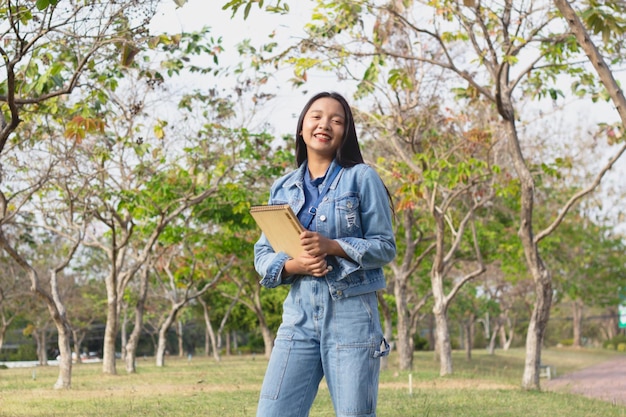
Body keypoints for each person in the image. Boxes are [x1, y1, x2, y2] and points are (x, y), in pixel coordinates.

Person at [253, 91, 396, 417]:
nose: (325, 124)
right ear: (303, 126)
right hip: (298, 320)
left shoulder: (361, 178)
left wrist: (333, 246)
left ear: (346, 132)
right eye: (316, 116)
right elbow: (263, 252)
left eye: (337, 120)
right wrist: (293, 265)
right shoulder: (283, 187)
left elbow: (385, 246)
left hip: (352, 318)